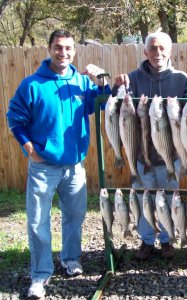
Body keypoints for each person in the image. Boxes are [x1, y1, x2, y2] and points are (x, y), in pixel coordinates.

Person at [6, 29, 110, 299]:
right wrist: (30, 149)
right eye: (58, 47)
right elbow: (14, 118)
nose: (63, 52)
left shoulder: (81, 83)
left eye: (68, 48)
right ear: (49, 49)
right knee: (38, 221)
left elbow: (100, 103)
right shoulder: (32, 84)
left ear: (74, 50)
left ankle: (70, 259)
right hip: (44, 167)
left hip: (74, 166)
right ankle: (40, 274)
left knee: (75, 218)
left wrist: (102, 79)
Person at [112, 31, 187, 260]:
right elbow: (116, 108)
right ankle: (147, 240)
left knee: (168, 199)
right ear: (145, 52)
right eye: (153, 48)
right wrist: (116, 87)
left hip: (171, 155)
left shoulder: (181, 80)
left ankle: (167, 240)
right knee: (143, 197)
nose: (158, 53)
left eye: (162, 48)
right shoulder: (132, 79)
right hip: (141, 154)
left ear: (170, 51)